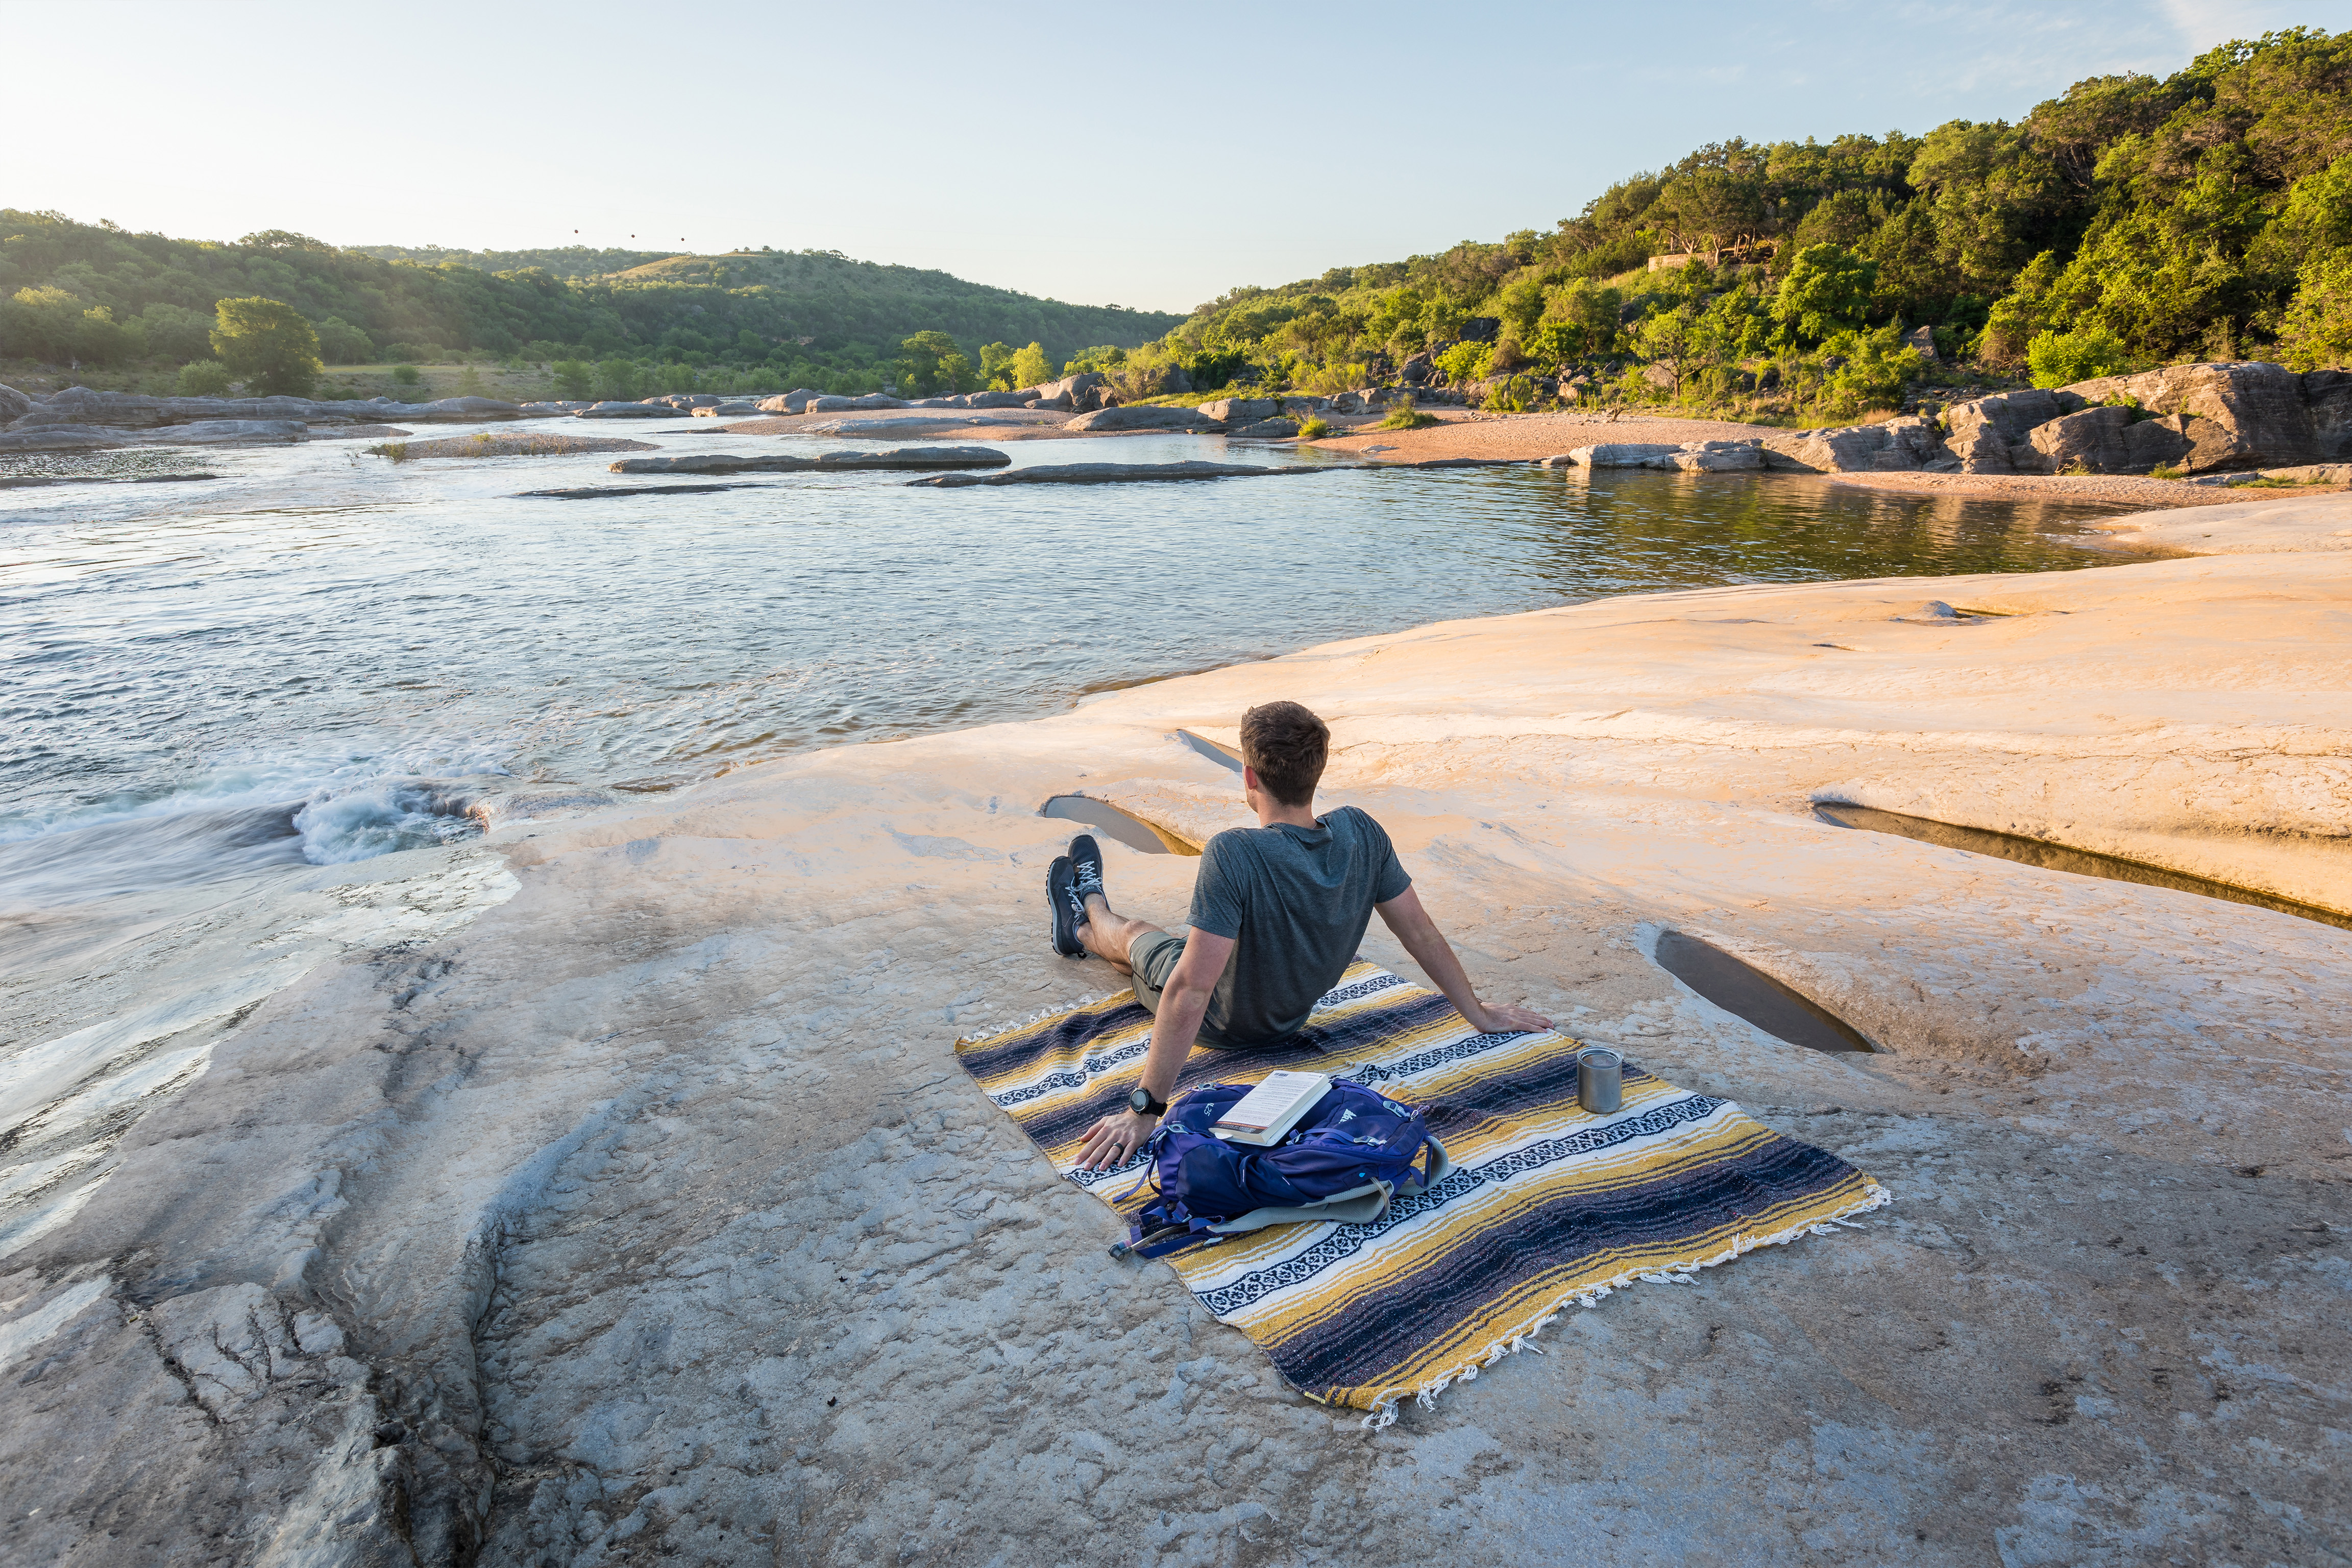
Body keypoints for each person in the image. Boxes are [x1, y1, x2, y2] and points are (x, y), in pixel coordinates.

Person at [1046, 700, 1552, 1171]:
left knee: (1139, 937)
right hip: (1288, 1018)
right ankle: (1084, 924)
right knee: (1158, 955)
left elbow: (1192, 990)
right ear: (1317, 772)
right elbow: (1420, 932)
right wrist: (1477, 1013)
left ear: (1250, 778)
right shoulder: (1363, 832)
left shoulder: (1234, 853)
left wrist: (1147, 1106)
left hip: (1222, 1024)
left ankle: (1086, 910)